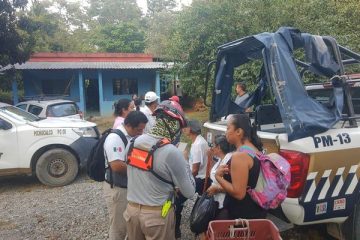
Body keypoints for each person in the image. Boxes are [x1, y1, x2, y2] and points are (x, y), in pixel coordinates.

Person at [124, 100, 195, 240]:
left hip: (132, 212)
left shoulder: (132, 143)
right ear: (174, 126)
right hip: (157, 215)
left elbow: (143, 170)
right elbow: (190, 192)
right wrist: (185, 160)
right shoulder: (171, 152)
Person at [103, 111, 148, 240]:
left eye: (143, 129)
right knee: (119, 227)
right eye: (139, 130)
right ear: (128, 125)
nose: (141, 132)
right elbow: (117, 165)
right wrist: (139, 173)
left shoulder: (130, 136)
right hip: (118, 189)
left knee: (130, 223)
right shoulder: (115, 138)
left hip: (128, 187)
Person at [215, 114, 267, 220]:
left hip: (242, 216)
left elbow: (239, 193)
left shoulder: (240, 156)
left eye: (228, 128)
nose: (226, 132)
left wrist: (218, 177)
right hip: (255, 211)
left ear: (239, 131)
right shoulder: (254, 149)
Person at [175, 119, 209, 238]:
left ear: (191, 129)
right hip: (200, 176)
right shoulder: (198, 142)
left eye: (185, 127)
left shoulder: (198, 144)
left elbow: (195, 170)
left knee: (176, 199)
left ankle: (175, 229)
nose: (183, 129)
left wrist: (183, 183)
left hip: (199, 179)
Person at [206, 135, 235, 219]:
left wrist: (217, 189)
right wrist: (210, 158)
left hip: (225, 203)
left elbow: (233, 186)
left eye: (213, 146)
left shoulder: (229, 160)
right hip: (216, 200)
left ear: (219, 147)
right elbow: (212, 174)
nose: (211, 148)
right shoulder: (220, 159)